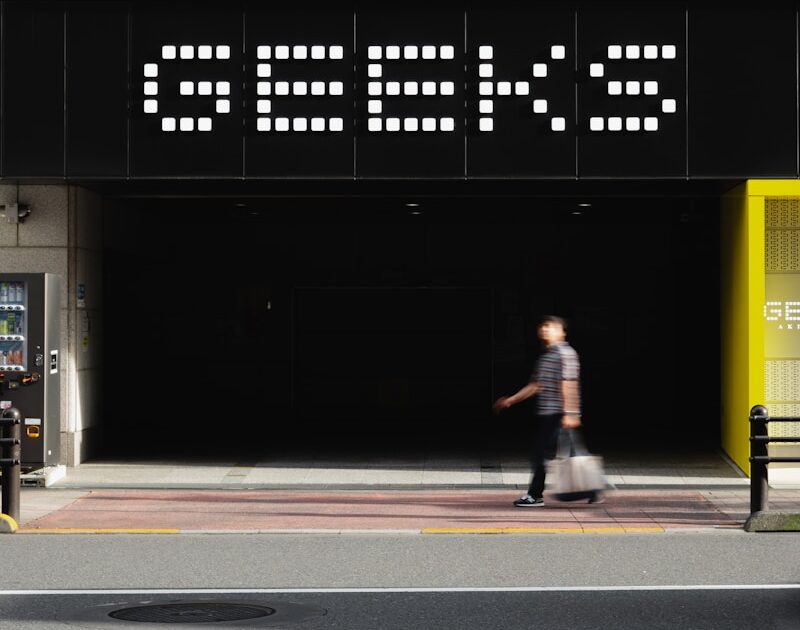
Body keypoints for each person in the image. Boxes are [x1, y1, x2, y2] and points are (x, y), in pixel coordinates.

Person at [493, 315, 602, 507]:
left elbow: (568, 384)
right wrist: (510, 400)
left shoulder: (565, 354)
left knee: (541, 455)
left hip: (558, 414)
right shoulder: (547, 356)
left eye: (550, 327)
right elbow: (535, 385)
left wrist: (570, 413)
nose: (544, 330)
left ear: (562, 332)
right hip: (550, 414)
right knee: (572, 454)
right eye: (543, 326)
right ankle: (593, 490)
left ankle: (535, 495)